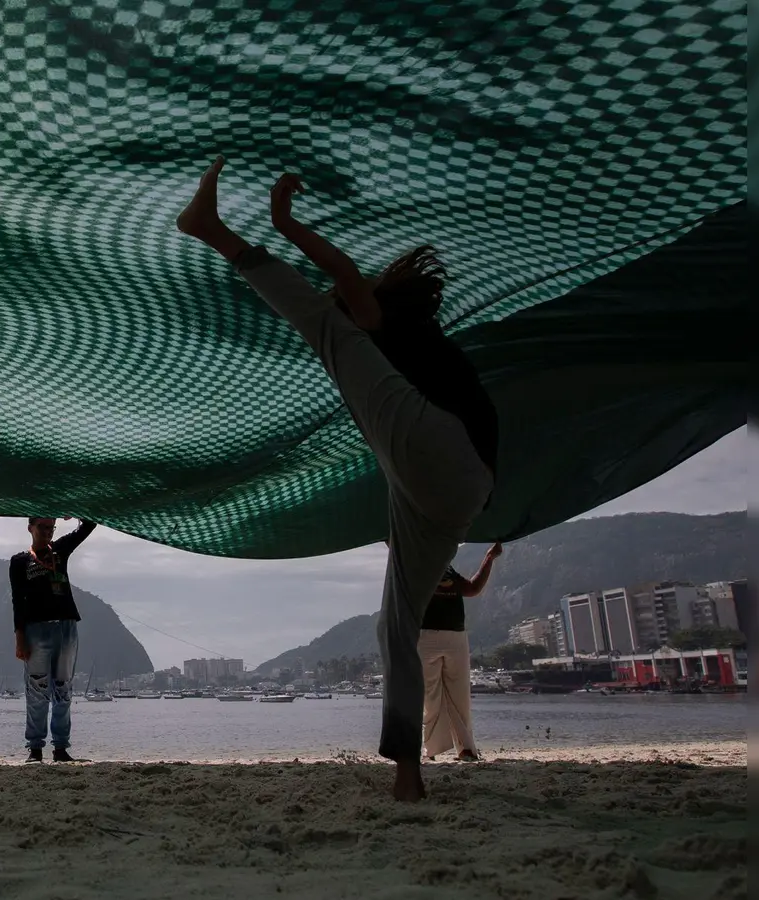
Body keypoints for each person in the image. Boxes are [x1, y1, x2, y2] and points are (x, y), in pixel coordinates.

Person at [179, 157, 498, 800]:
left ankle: (210, 228)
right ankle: (408, 772)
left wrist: (284, 223)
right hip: (455, 493)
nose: (347, 307)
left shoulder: (382, 323)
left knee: (324, 330)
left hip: (441, 448)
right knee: (394, 625)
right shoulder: (417, 353)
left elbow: (344, 278)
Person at [10, 517, 97, 763]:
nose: (47, 532)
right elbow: (17, 601)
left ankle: (60, 749)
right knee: (37, 689)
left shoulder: (60, 550)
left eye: (51, 528)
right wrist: (20, 638)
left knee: (63, 689)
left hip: (66, 627)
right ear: (30, 528)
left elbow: (89, 525)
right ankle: (35, 749)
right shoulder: (19, 561)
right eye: (42, 528)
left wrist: (71, 509)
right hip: (35, 630)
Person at [421, 542, 503, 763]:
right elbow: (398, 552)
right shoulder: (415, 565)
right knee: (430, 696)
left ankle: (465, 750)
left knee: (459, 695)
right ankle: (430, 750)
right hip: (425, 635)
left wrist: (489, 557)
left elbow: (473, 589)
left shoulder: (448, 570)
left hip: (455, 636)